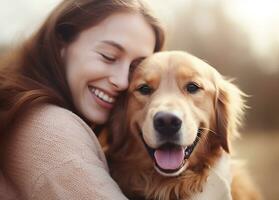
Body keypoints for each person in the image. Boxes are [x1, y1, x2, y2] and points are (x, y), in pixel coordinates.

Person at [0, 0, 164, 199]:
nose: (122, 81)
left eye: (135, 68)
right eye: (108, 56)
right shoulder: (53, 129)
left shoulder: (23, 109)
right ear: (61, 42)